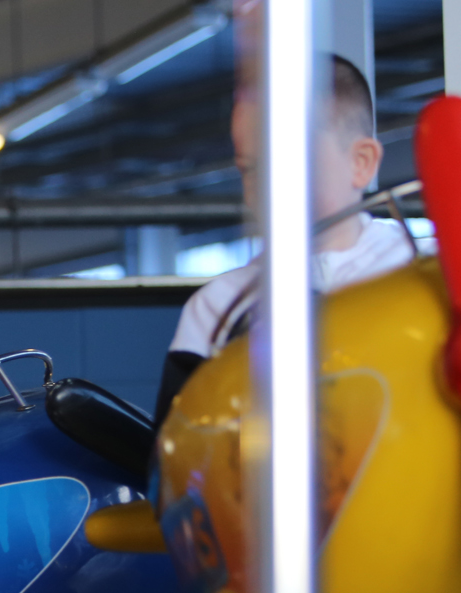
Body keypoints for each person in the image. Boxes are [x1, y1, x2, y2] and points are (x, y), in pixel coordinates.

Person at [154, 55, 417, 422]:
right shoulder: (218, 309)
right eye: (250, 170)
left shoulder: (425, 272)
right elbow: (179, 459)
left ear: (361, 162)